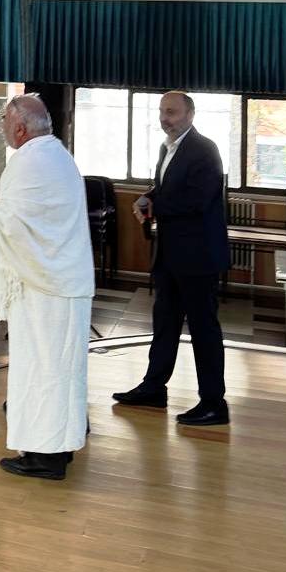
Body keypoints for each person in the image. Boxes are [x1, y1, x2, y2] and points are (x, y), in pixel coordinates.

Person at [0, 94, 95, 481]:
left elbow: (12, 223)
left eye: (3, 125)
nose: (2, 132)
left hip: (45, 287)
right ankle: (57, 448)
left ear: (19, 127)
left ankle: (44, 458)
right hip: (62, 280)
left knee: (43, 370)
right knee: (61, 371)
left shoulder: (30, 161)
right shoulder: (59, 156)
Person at [114, 91, 231, 426]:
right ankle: (154, 388)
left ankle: (213, 404)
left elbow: (197, 200)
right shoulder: (168, 148)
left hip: (198, 256)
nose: (165, 118)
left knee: (203, 329)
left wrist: (154, 206)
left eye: (173, 112)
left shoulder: (204, 149)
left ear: (190, 115)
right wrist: (147, 196)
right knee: (163, 323)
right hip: (170, 254)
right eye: (162, 112)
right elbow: (167, 189)